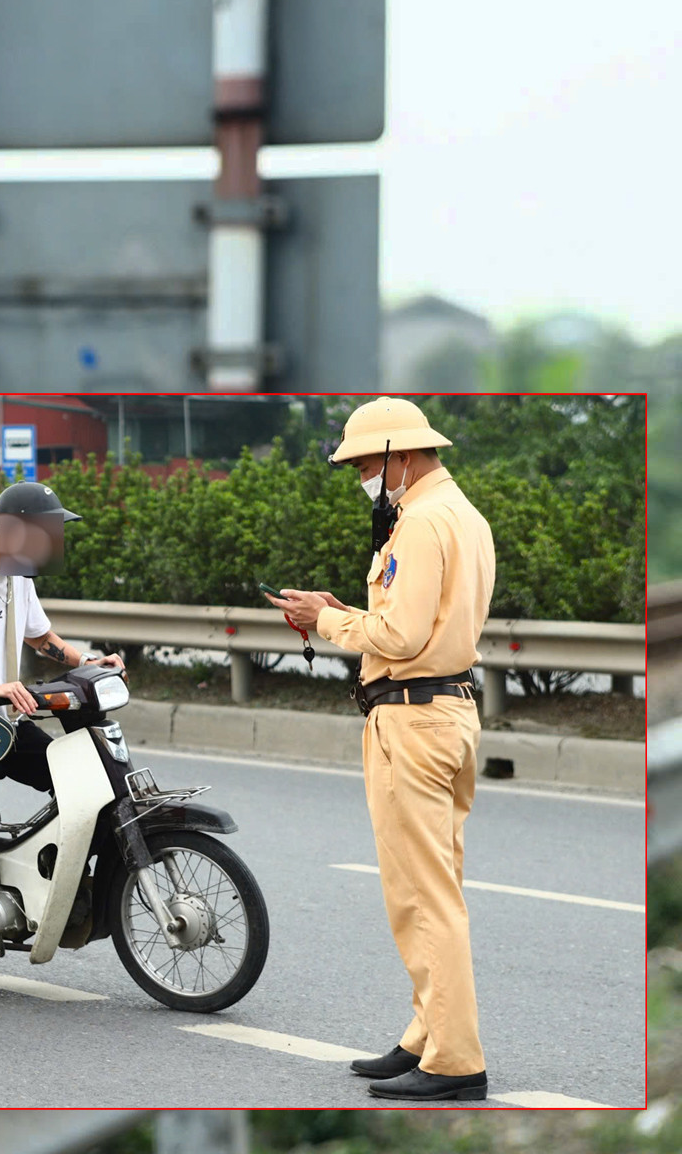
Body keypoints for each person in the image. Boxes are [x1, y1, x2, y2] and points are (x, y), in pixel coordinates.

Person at [266, 396, 495, 1102]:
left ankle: (454, 1060)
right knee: (434, 889)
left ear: (402, 453)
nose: (363, 475)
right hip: (446, 714)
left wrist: (324, 619)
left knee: (420, 898)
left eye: (366, 462)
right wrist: (347, 611)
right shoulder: (461, 513)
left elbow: (398, 641)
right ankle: (427, 1033)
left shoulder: (423, 522)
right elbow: (413, 622)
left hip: (413, 719)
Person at [0, 481, 124, 955]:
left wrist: (89, 661)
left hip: (4, 725)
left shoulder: (18, 578)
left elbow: (41, 638)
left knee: (87, 786)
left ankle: (58, 885)